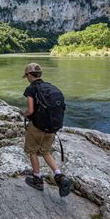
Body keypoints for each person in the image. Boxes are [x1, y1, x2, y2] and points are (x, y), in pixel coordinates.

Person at [22, 63, 72, 197]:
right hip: (51, 127)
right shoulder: (51, 87)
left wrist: (24, 114)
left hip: (37, 126)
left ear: (28, 75)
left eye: (26, 76)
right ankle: (59, 175)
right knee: (46, 151)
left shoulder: (31, 89)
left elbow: (30, 110)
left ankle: (37, 179)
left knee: (32, 151)